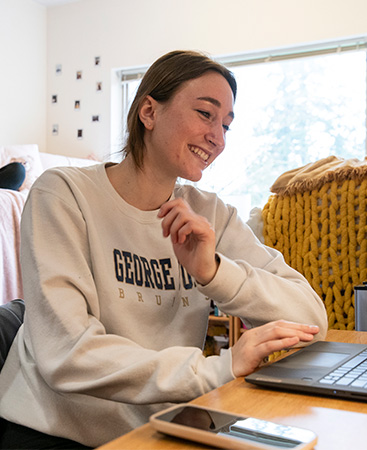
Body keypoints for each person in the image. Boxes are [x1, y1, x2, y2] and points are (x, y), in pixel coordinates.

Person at [0, 50, 328, 449]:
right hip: (51, 429)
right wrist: (218, 370)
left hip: (157, 427)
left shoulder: (211, 214)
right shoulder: (63, 193)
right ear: (149, 112)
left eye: (226, 124)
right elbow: (69, 354)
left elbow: (311, 319)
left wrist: (214, 273)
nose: (218, 138)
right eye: (206, 114)